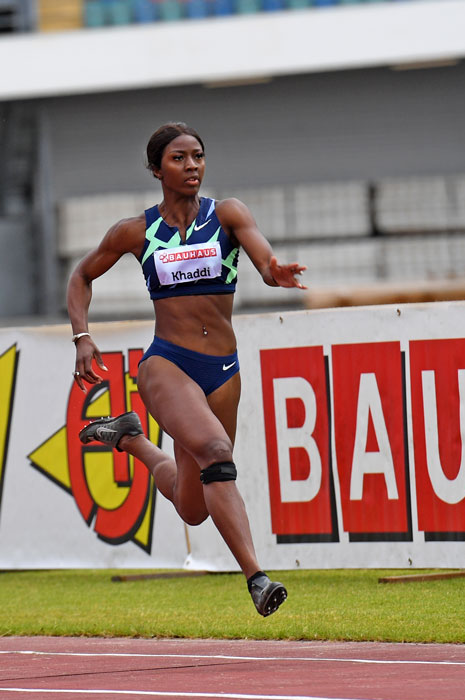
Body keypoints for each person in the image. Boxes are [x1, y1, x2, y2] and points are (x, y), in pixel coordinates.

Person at [66, 122, 307, 617]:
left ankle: (131, 439)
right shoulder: (136, 231)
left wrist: (273, 271)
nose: (192, 165)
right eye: (179, 158)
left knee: (193, 506)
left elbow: (262, 257)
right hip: (166, 364)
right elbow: (81, 275)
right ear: (157, 169)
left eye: (197, 156)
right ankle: (257, 578)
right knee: (217, 451)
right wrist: (81, 335)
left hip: (222, 369)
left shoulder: (229, 215)